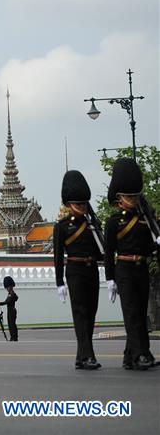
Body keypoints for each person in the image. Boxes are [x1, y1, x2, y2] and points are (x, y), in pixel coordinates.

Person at [104, 158, 159, 371]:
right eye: (129, 196)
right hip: (124, 270)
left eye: (135, 196)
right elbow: (109, 252)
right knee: (131, 314)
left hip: (141, 268)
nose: (133, 200)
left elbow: (148, 248)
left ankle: (130, 356)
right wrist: (110, 278)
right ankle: (141, 353)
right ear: (119, 198)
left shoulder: (147, 219)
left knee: (140, 311)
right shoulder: (114, 223)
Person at [53, 170, 102, 370]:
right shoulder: (62, 226)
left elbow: (102, 251)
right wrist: (59, 283)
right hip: (75, 271)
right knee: (80, 313)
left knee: (91, 313)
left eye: (83, 204)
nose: (82, 207)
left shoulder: (92, 223)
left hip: (91, 270)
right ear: (69, 205)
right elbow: (57, 256)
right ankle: (88, 355)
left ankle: (80, 356)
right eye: (78, 204)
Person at [0, 276, 19, 341]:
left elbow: (7, 302)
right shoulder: (10, 294)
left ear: (11, 286)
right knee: (10, 324)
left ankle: (14, 337)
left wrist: (0, 303)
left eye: (8, 287)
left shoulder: (12, 294)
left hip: (12, 311)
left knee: (12, 325)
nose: (7, 289)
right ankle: (12, 336)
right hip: (10, 311)